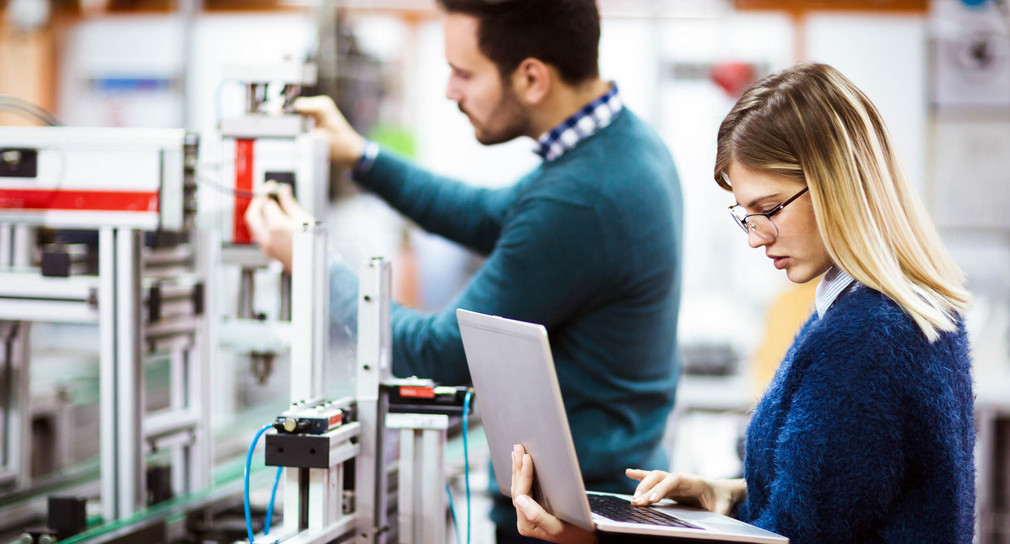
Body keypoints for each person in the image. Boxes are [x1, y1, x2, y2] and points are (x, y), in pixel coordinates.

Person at [243, 1, 684, 541]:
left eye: (463, 73)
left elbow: (438, 354)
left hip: (568, 524)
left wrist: (312, 262)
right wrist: (363, 157)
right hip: (595, 505)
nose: (450, 90)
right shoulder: (621, 147)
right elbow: (489, 214)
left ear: (531, 78)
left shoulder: (584, 197)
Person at [510, 62, 975, 544]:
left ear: (838, 183)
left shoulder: (864, 340)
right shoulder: (911, 307)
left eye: (769, 209)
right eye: (745, 215)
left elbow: (799, 535)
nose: (757, 238)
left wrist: (587, 539)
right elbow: (848, 498)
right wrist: (724, 494)